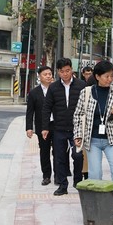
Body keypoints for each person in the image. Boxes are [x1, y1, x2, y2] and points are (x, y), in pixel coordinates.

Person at [73, 61, 113, 218]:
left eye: (112, 76)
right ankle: (96, 204)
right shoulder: (86, 92)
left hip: (112, 139)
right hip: (92, 139)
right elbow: (78, 115)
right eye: (106, 76)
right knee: (95, 173)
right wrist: (78, 135)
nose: (110, 79)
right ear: (97, 76)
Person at [42, 58, 87, 196]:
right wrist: (45, 127)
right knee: (59, 157)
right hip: (59, 128)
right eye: (62, 71)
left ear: (72, 69)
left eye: (67, 71)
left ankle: (78, 181)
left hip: (77, 128)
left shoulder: (82, 85)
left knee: (77, 155)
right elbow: (47, 108)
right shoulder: (53, 87)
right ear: (58, 72)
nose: (65, 74)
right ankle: (62, 185)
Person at [26, 66, 55, 186]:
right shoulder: (34, 93)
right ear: (39, 77)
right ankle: (46, 175)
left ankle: (59, 175)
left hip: (57, 125)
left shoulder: (57, 89)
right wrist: (29, 128)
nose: (48, 76)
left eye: (50, 74)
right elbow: (30, 112)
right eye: (45, 74)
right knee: (44, 151)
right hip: (42, 126)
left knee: (59, 151)